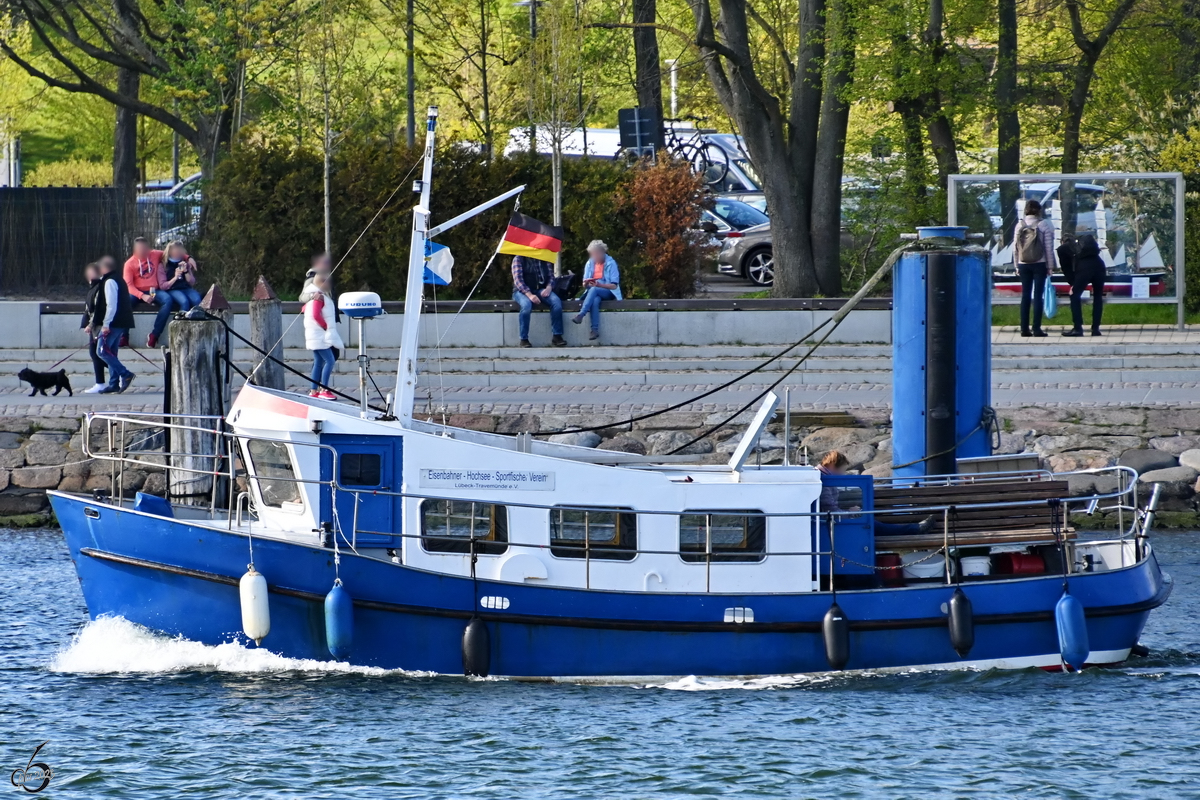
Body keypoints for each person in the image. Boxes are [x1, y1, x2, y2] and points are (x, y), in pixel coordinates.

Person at [817, 451, 933, 536]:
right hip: (831, 525)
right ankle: (916, 529)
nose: (842, 474)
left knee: (872, 523)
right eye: (842, 470)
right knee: (871, 524)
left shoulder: (823, 478)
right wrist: (850, 513)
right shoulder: (823, 482)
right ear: (832, 466)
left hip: (834, 522)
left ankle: (915, 528)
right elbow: (831, 511)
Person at [92, 256, 136, 394]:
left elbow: (111, 305)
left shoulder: (110, 281)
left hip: (114, 322)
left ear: (105, 268)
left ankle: (125, 374)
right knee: (112, 352)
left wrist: (106, 324)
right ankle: (113, 383)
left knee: (102, 351)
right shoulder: (117, 278)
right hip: (121, 321)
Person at [1013, 200, 1057, 338]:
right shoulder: (1043, 225)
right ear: (1039, 210)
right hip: (1040, 264)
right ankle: (1037, 328)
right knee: (1038, 296)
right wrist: (1050, 266)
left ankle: (1024, 329)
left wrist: (1016, 265)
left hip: (1023, 263)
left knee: (1025, 296)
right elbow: (1048, 249)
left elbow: (1015, 248)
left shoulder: (1019, 225)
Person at [123, 237, 174, 348]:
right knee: (125, 303)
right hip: (137, 291)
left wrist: (188, 258)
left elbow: (172, 253)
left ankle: (154, 335)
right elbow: (129, 286)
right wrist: (142, 296)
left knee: (168, 300)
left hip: (154, 289)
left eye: (144, 248)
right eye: (139, 248)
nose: (142, 251)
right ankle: (124, 336)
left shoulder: (155, 254)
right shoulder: (129, 264)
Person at [303, 272, 343, 400]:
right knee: (330, 360)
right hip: (319, 335)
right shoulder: (319, 297)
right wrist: (325, 326)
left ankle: (314, 390)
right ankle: (324, 389)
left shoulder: (314, 296)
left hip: (315, 335)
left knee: (318, 362)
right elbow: (315, 314)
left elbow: (305, 309)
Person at [572, 240, 622, 341]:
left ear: (602, 252)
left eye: (595, 254)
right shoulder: (590, 263)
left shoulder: (611, 263)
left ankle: (581, 314)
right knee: (595, 300)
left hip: (609, 292)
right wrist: (586, 283)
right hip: (593, 292)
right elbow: (584, 284)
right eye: (592, 254)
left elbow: (614, 286)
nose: (594, 257)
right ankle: (594, 330)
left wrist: (600, 285)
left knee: (595, 289)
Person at [512, 255, 566, 348]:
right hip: (522, 291)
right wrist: (530, 295)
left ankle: (557, 336)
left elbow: (551, 277)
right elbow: (518, 281)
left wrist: (549, 287)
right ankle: (523, 339)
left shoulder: (544, 258)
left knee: (556, 302)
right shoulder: (518, 259)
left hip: (541, 289)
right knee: (526, 305)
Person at [1062, 234, 1106, 337]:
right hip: (1099, 266)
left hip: (1084, 269)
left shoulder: (1067, 250)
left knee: (1074, 295)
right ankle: (1095, 329)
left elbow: (1070, 270)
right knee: (1098, 297)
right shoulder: (1092, 251)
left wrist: (1073, 285)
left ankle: (1078, 328)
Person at [80, 262, 108, 393]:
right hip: (94, 325)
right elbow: (88, 308)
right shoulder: (93, 287)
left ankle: (119, 373)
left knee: (98, 353)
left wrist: (91, 325)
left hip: (100, 325)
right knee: (96, 353)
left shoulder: (100, 287)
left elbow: (98, 309)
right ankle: (107, 379)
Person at [161, 241, 203, 311]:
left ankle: (197, 320)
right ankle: (181, 321)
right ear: (170, 251)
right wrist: (175, 277)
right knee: (184, 302)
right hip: (172, 289)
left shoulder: (184, 262)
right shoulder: (164, 264)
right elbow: (163, 286)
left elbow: (191, 282)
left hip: (185, 288)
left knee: (197, 300)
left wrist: (186, 271)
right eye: (176, 250)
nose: (178, 252)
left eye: (180, 250)